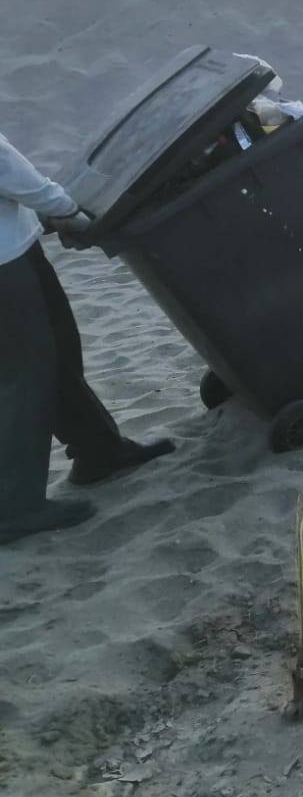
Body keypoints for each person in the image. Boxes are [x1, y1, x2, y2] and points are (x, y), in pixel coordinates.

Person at [0, 130, 174, 545]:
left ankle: (98, 451)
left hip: (15, 246)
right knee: (27, 373)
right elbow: (8, 168)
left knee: (57, 353)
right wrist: (64, 209)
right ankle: (13, 506)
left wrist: (41, 212)